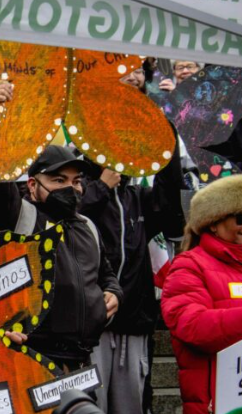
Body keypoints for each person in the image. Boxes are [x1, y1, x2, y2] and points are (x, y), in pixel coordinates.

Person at [80, 68, 186, 414]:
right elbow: (65, 213)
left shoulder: (138, 196)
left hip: (136, 324)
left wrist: (166, 136)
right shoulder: (83, 189)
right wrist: (101, 186)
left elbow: (169, 202)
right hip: (94, 326)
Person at [0, 145, 123, 371]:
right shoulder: (19, 217)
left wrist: (114, 292)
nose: (70, 188)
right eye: (59, 180)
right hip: (31, 360)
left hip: (81, 361)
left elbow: (106, 274)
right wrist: (2, 123)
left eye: (76, 181)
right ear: (32, 185)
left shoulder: (89, 227)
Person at [161, 175, 242, 414]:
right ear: (212, 223)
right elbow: (191, 325)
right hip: (216, 404)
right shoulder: (189, 265)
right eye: (240, 218)